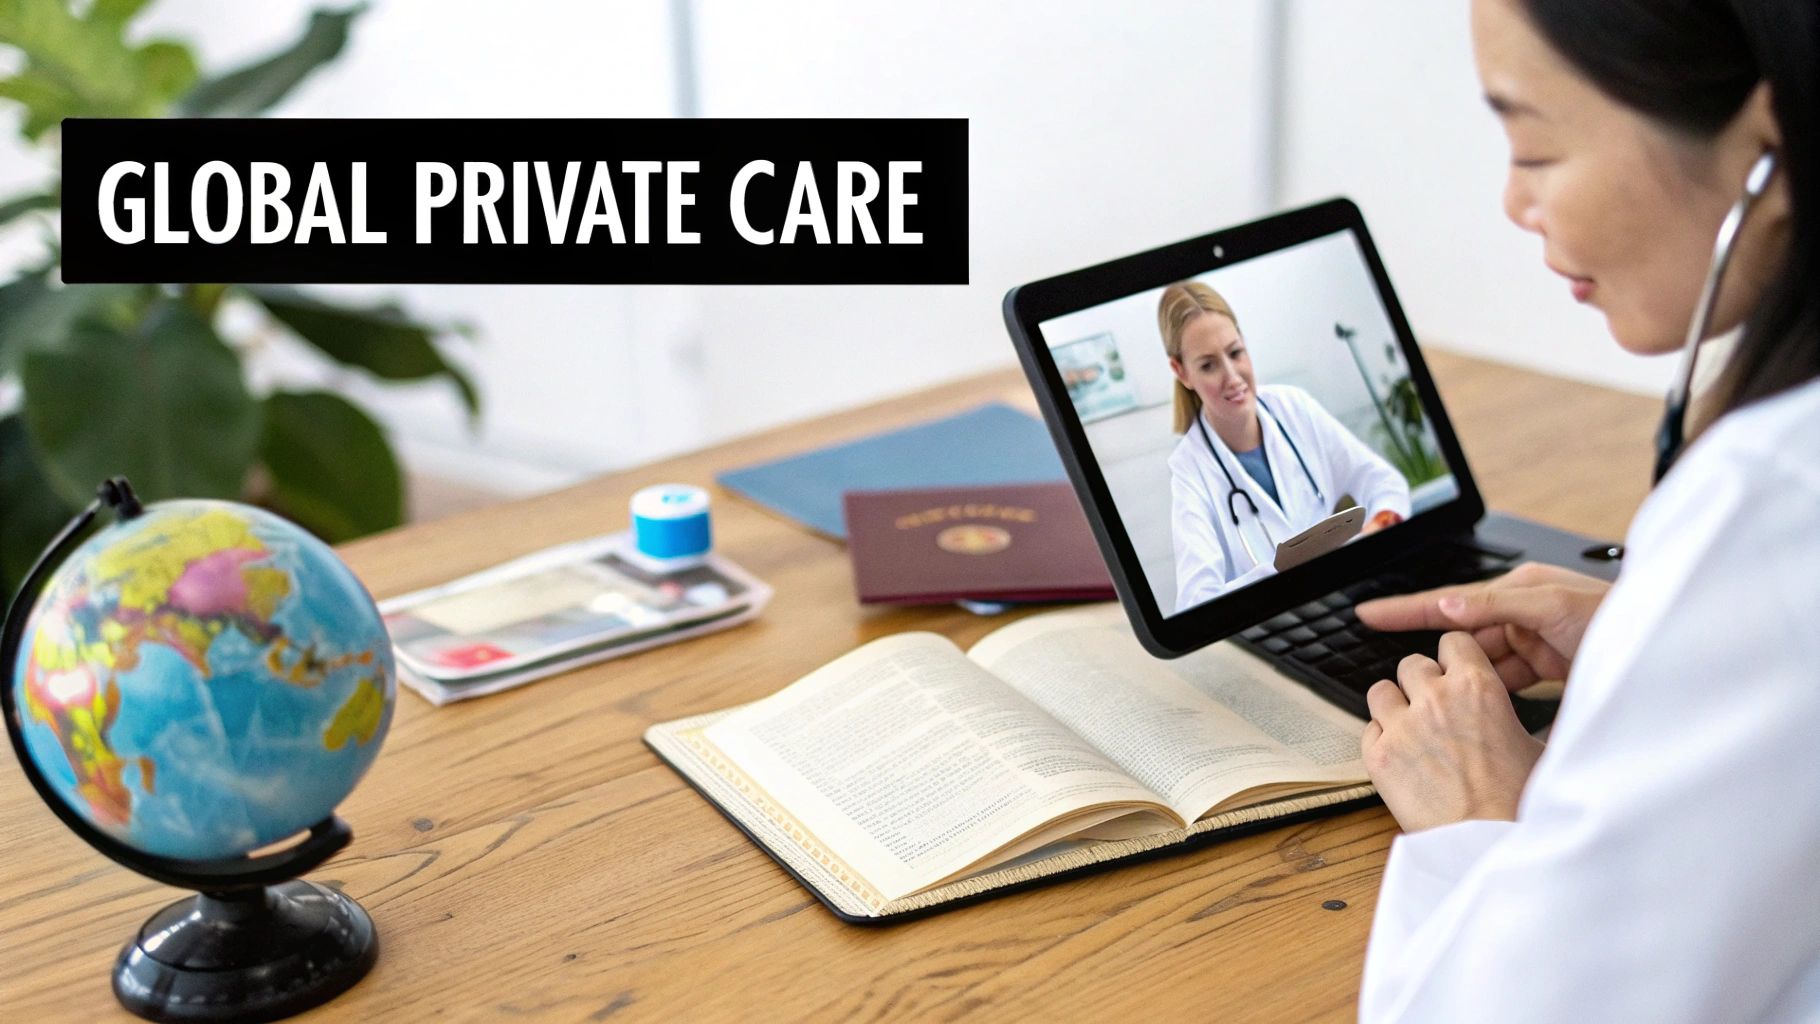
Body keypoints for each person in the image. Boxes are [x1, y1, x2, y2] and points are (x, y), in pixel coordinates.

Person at [1352, 0, 1820, 1019]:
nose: (1514, 204)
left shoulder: (1773, 505)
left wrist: (1473, 816)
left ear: (1763, 147)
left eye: (1533, 146)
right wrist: (1657, 651)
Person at [1161, 281, 1410, 611]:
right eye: (1208, 365)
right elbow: (1196, 602)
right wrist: (1281, 572)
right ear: (1182, 372)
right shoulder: (1190, 469)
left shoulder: (1293, 407)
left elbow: (1384, 483)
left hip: (1346, 597)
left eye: (1235, 353)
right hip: (1274, 620)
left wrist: (1376, 528)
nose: (1232, 376)